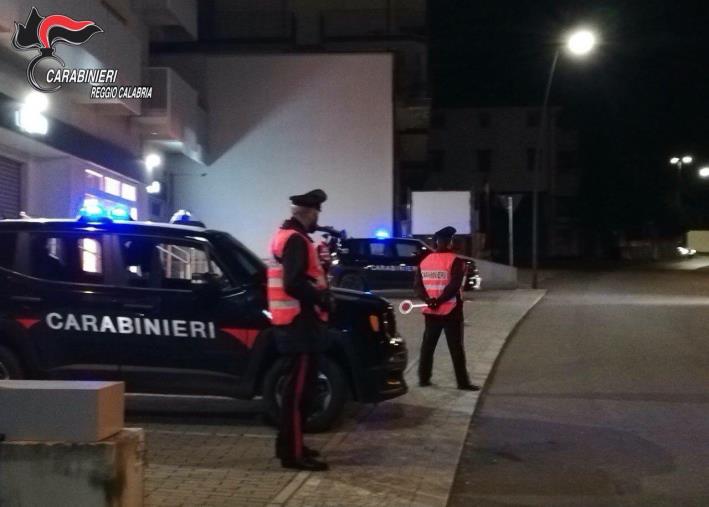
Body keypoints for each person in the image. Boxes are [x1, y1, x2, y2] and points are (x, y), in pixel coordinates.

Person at [267, 189, 332, 471]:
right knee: (297, 394)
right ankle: (292, 455)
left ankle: (292, 446)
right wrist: (320, 297)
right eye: (317, 213)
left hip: (295, 323)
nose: (318, 218)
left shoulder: (292, 237)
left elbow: (301, 276)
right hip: (299, 325)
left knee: (300, 391)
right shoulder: (295, 240)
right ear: (308, 212)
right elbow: (293, 283)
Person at [414, 226, 479, 391]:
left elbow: (417, 287)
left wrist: (429, 300)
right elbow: (455, 285)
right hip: (451, 311)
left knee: (428, 346)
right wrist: (440, 300)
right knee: (456, 348)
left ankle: (423, 378)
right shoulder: (455, 261)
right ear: (449, 242)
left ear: (436, 242)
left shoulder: (424, 261)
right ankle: (462, 383)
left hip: (430, 312)